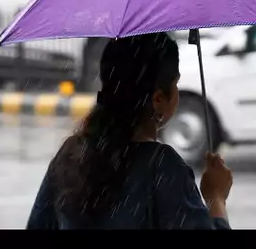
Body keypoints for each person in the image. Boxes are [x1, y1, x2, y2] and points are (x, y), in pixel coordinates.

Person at [26, 32, 233, 229]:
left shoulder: (70, 154)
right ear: (158, 99)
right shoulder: (163, 168)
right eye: (176, 83)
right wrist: (216, 198)